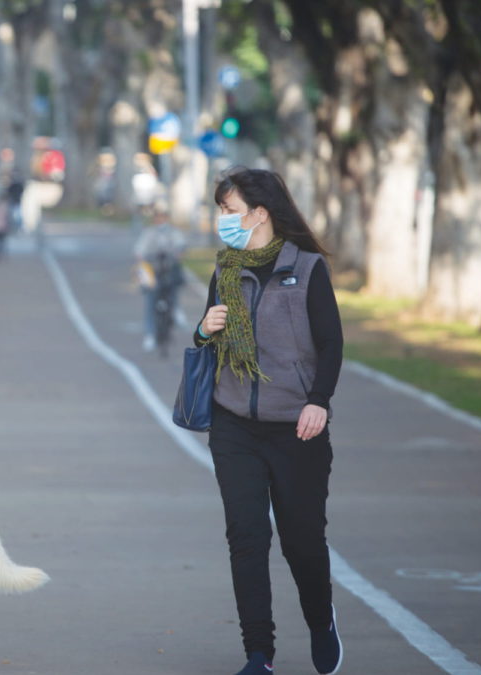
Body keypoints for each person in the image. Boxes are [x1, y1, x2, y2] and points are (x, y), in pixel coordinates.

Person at [193, 168, 344, 675]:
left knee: (302, 541)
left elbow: (331, 343)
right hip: (234, 424)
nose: (223, 221)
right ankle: (259, 654)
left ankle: (322, 622)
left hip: (297, 427)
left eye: (229, 210)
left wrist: (318, 400)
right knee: (248, 538)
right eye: (220, 211)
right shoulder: (226, 270)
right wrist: (203, 328)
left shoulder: (307, 268)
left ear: (260, 213)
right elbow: (207, 341)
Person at [133, 207, 186, 351]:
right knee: (150, 299)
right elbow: (140, 250)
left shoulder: (174, 233)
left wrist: (177, 254)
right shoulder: (148, 233)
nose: (160, 221)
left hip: (168, 268)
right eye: (158, 218)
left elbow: (180, 246)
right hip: (153, 270)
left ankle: (175, 310)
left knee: (174, 282)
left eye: (163, 217)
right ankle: (150, 335)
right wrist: (143, 259)